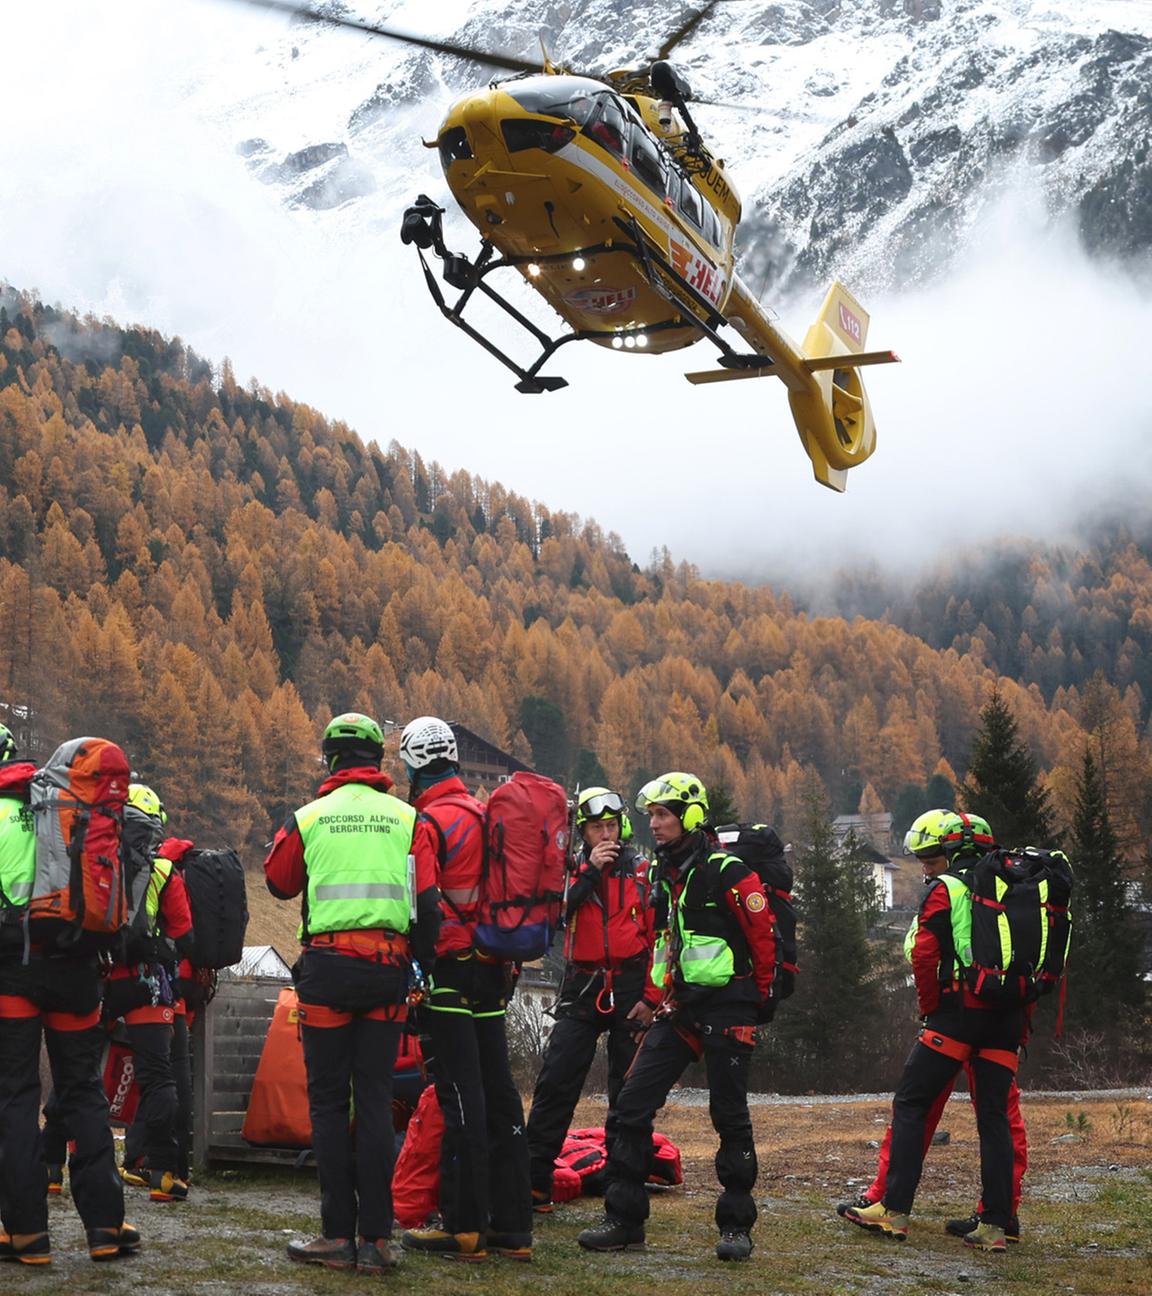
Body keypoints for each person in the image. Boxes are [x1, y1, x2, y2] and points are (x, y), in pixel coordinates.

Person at [265, 713, 441, 1275]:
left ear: (330, 759)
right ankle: (377, 1242)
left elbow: (278, 882)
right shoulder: (409, 819)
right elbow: (428, 906)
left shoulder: (308, 817)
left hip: (327, 972)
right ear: (377, 760)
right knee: (373, 1100)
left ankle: (336, 1236)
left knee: (326, 1103)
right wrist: (421, 968)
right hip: (387, 972)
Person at [576, 773, 777, 1263]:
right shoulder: (665, 875)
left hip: (729, 1006)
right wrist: (652, 999)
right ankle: (624, 1220)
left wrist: (755, 1000)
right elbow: (665, 943)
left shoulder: (727, 871)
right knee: (630, 1105)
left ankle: (736, 1227)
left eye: (663, 815)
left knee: (729, 1115)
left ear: (691, 816)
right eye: (650, 816)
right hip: (680, 1007)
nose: (654, 824)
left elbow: (763, 937)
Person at [836, 808, 1028, 1242]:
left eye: (931, 858)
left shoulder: (948, 888)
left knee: (911, 1104)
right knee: (996, 1118)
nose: (924, 867)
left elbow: (924, 954)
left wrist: (931, 1009)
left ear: (956, 853)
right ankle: (998, 1223)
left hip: (957, 1014)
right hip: (1006, 1018)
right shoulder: (1019, 887)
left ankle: (893, 1209)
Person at [0, 727, 139, 1265]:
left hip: (13, 971)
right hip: (77, 966)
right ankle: (105, 1226)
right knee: (82, 1092)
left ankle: (26, 1233)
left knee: (16, 1096)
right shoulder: (58, 804)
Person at [397, 715, 533, 1263]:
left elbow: (423, 904)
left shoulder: (427, 821)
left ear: (412, 766)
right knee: (500, 1093)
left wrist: (419, 965)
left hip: (449, 970)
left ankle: (464, 1227)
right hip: (494, 969)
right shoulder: (486, 814)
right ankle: (513, 1228)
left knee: (459, 1094)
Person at [526, 786, 658, 1211]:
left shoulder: (642, 871)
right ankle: (534, 1182)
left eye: (612, 826)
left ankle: (621, 1188)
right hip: (582, 984)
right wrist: (588, 873)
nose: (606, 835)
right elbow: (552, 915)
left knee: (628, 1091)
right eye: (597, 827)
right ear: (582, 832)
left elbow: (661, 939)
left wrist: (652, 998)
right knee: (557, 1080)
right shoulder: (566, 871)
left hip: (631, 985)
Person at [103, 782, 195, 1203]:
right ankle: (162, 1173)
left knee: (79, 1070)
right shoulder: (163, 871)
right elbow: (185, 935)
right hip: (146, 984)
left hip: (99, 979)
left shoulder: (96, 860)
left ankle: (52, 1165)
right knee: (158, 1078)